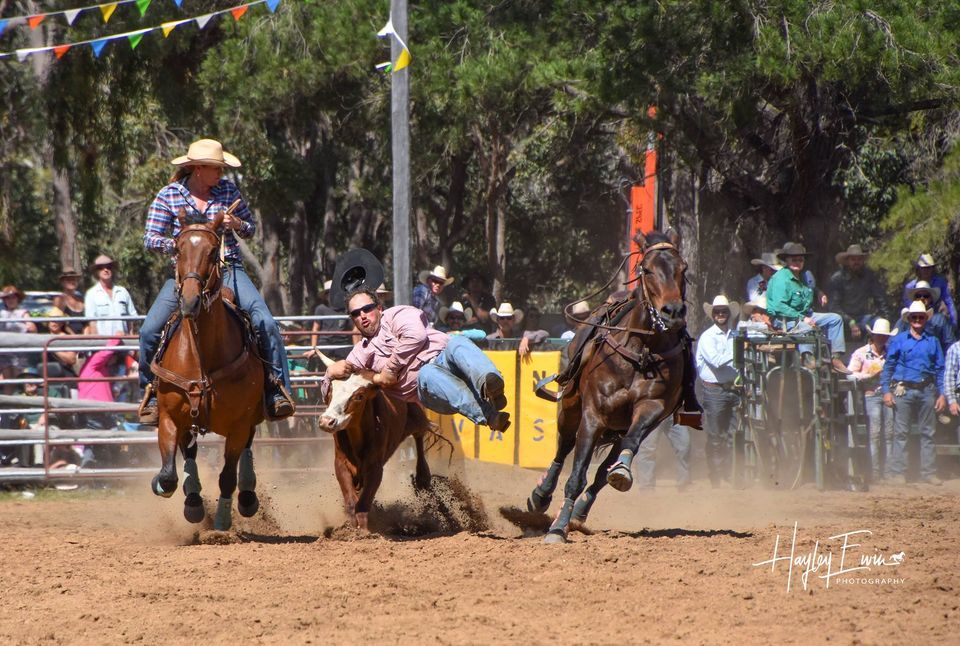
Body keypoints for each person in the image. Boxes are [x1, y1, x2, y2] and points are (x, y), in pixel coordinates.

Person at [137, 138, 294, 424]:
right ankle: (151, 393)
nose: (221, 174)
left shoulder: (228, 191)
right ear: (198, 169)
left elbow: (250, 228)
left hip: (229, 269)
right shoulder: (169, 195)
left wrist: (237, 225)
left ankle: (276, 390)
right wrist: (177, 246)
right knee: (149, 331)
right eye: (216, 168)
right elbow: (150, 238)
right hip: (186, 275)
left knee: (266, 323)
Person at [324, 286, 511, 431]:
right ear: (352, 319)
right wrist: (329, 374)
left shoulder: (397, 315)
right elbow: (341, 390)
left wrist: (389, 369)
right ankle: (490, 416)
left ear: (379, 308)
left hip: (447, 359)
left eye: (367, 309)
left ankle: (492, 387)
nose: (362, 316)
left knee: (457, 343)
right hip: (429, 389)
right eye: (356, 313)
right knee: (427, 373)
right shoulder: (360, 353)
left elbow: (416, 336)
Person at [881, 301, 946, 485]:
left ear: (925, 319)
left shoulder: (933, 341)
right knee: (901, 432)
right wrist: (886, 391)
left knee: (928, 433)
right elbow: (889, 366)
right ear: (909, 319)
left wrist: (941, 394)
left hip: (926, 390)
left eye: (921, 317)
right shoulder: (899, 340)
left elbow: (940, 369)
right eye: (914, 317)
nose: (918, 320)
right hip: (904, 390)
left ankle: (929, 472)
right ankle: (898, 472)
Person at [765, 242, 849, 373]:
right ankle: (807, 358)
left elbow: (811, 290)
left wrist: (819, 294)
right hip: (783, 320)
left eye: (800, 259)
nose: (797, 262)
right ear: (786, 260)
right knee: (807, 327)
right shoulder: (781, 279)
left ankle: (835, 358)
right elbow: (779, 306)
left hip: (804, 315)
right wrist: (802, 318)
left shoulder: (803, 277)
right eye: (794, 259)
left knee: (835, 319)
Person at [695, 295, 741, 487]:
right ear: (713, 315)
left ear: (728, 314)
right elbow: (715, 361)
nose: (721, 314)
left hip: (734, 390)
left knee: (733, 434)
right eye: (718, 312)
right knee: (715, 435)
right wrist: (739, 351)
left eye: (724, 311)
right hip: (714, 391)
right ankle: (715, 475)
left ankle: (728, 473)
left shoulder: (735, 336)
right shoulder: (707, 337)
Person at [847, 318, 897, 481]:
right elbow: (850, 374)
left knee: (889, 433)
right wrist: (868, 375)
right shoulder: (861, 353)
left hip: (888, 394)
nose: (882, 338)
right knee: (875, 433)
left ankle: (888, 472)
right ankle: (876, 473)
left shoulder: (891, 352)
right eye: (879, 335)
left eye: (884, 336)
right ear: (873, 335)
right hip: (870, 395)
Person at [827, 244, 888, 341]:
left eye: (859, 259)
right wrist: (850, 322)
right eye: (853, 259)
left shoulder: (869, 275)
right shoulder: (837, 278)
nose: (856, 262)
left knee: (879, 323)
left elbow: (879, 298)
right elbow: (834, 307)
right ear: (847, 261)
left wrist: (885, 319)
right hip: (843, 320)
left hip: (863, 318)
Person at [84, 254, 138, 336]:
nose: (105, 270)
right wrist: (99, 345)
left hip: (124, 344)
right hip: (104, 344)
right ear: (96, 271)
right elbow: (92, 323)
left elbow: (131, 319)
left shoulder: (123, 292)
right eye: (101, 267)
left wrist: (131, 342)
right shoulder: (91, 294)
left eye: (108, 267)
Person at [633, 419, 692, 492]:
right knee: (647, 449)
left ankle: (684, 485)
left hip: (674, 413)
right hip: (653, 414)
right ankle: (646, 487)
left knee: (684, 446)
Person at [896, 281, 955, 353]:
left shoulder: (940, 320)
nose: (922, 298)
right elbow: (893, 342)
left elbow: (950, 343)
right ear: (914, 298)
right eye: (918, 296)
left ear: (931, 298)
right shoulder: (904, 320)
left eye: (925, 296)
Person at [902, 253, 956, 328]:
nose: (926, 270)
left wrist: (954, 321)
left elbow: (948, 302)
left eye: (928, 268)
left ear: (932, 268)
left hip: (935, 315)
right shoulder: (910, 286)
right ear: (919, 269)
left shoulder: (940, 282)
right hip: (916, 318)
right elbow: (909, 306)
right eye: (923, 268)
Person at [304, 280, 352, 360]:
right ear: (326, 296)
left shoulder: (346, 309)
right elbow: (315, 329)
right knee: (321, 356)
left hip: (342, 342)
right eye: (329, 293)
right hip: (325, 342)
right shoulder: (321, 309)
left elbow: (354, 329)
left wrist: (357, 347)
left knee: (348, 357)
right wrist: (313, 348)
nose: (332, 296)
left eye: (335, 293)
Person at [52, 268, 87, 334]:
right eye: (68, 279)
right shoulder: (59, 299)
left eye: (74, 279)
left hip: (83, 338)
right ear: (62, 282)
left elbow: (86, 322)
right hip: (66, 338)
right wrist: (73, 336)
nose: (72, 281)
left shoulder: (82, 300)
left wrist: (85, 336)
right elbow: (57, 323)